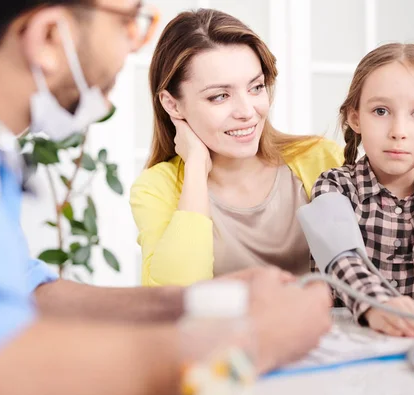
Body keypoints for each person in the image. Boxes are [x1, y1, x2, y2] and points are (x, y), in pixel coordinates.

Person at [0, 2, 332, 395]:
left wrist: (194, 301)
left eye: (255, 87)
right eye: (129, 23)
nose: (135, 46)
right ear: (49, 36)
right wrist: (255, 342)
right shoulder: (159, 185)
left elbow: (30, 291)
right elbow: (7, 372)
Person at [129, 9, 343, 287]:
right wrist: (195, 166)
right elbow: (174, 295)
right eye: (220, 96)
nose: (247, 111)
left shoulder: (320, 159)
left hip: (329, 330)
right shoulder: (156, 188)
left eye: (256, 87)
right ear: (172, 104)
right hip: (220, 332)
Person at [311, 43, 414, 338]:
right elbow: (340, 260)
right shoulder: (334, 186)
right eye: (381, 111)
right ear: (355, 118)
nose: (398, 130)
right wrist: (378, 303)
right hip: (351, 344)